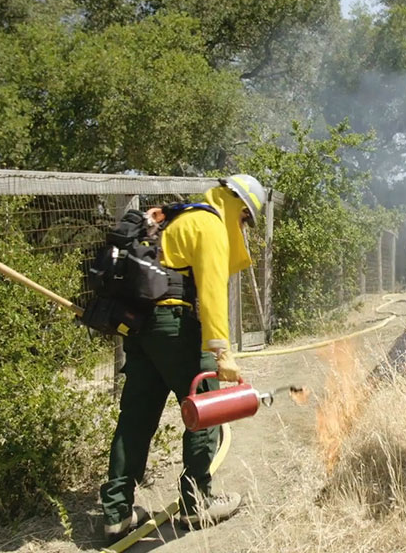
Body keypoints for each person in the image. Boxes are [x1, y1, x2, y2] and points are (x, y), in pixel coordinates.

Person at [99, 174, 266, 540]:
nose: (243, 227)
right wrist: (221, 352)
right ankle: (197, 502)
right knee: (205, 408)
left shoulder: (180, 217)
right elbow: (210, 293)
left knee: (136, 418)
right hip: (175, 327)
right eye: (245, 219)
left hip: (142, 328)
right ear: (235, 203)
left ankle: (116, 512)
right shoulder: (209, 223)